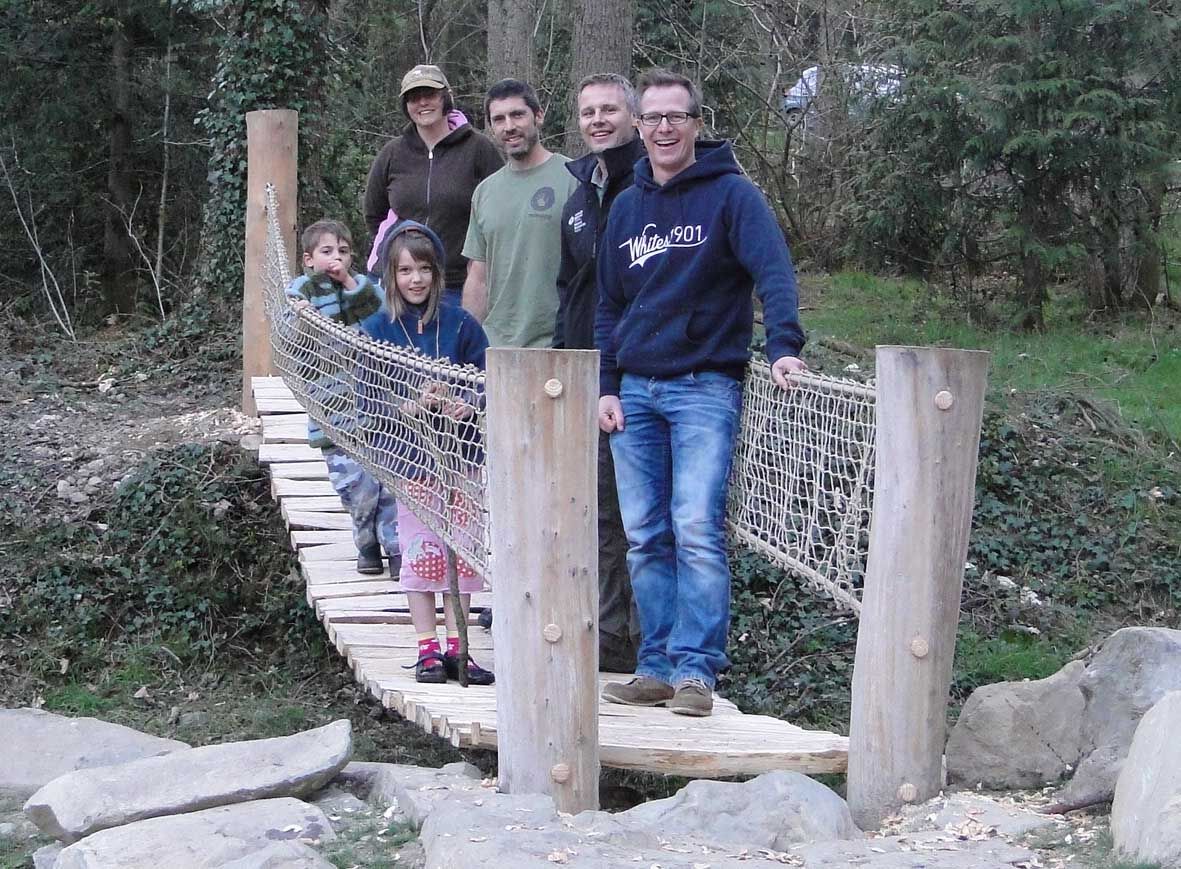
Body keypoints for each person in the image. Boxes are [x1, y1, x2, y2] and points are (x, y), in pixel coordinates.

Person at [595, 70, 808, 717]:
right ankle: (655, 665)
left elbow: (772, 272)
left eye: (675, 117)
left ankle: (695, 672)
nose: (663, 128)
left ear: (695, 124)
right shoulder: (626, 208)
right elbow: (607, 305)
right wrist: (605, 384)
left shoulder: (732, 196)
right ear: (638, 127)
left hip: (702, 388)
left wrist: (784, 348)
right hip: (634, 391)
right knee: (644, 534)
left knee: (694, 527)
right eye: (652, 118)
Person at [360, 220, 493, 685]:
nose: (415, 279)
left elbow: (487, 379)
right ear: (390, 278)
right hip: (412, 460)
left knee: (463, 553)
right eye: (404, 271)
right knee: (421, 555)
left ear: (438, 273)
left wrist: (467, 402)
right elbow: (368, 397)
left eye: (424, 270)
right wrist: (411, 405)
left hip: (463, 461)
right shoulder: (376, 330)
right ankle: (427, 648)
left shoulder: (461, 325)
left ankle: (460, 646)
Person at [554, 73, 646, 673]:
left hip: (645, 371)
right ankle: (611, 639)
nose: (598, 120)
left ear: (634, 117)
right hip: (586, 372)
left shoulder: (652, 183)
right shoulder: (581, 190)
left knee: (647, 517)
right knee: (600, 511)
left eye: (610, 109)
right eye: (588, 111)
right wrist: (565, 359)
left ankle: (654, 646)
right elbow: (570, 288)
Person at [285, 219, 396, 577]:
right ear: (308, 259)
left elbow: (383, 313)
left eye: (344, 252)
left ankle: (394, 549)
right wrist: (302, 316)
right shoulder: (301, 292)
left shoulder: (362, 288)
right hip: (331, 410)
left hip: (374, 405)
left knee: (388, 483)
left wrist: (350, 283)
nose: (337, 258)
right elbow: (288, 336)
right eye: (327, 251)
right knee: (356, 486)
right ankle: (366, 541)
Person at [363, 64, 503, 306]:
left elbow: (500, 210)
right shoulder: (392, 153)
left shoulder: (479, 149)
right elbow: (374, 213)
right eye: (414, 98)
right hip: (397, 284)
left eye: (430, 95)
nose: (423, 103)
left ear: (446, 97)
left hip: (456, 285)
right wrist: (402, 256)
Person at [462, 79, 577, 348]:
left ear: (538, 116)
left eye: (517, 115)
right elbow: (478, 278)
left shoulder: (574, 179)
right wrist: (467, 343)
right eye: (498, 119)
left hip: (557, 346)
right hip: (495, 349)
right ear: (490, 128)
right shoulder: (484, 192)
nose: (509, 126)